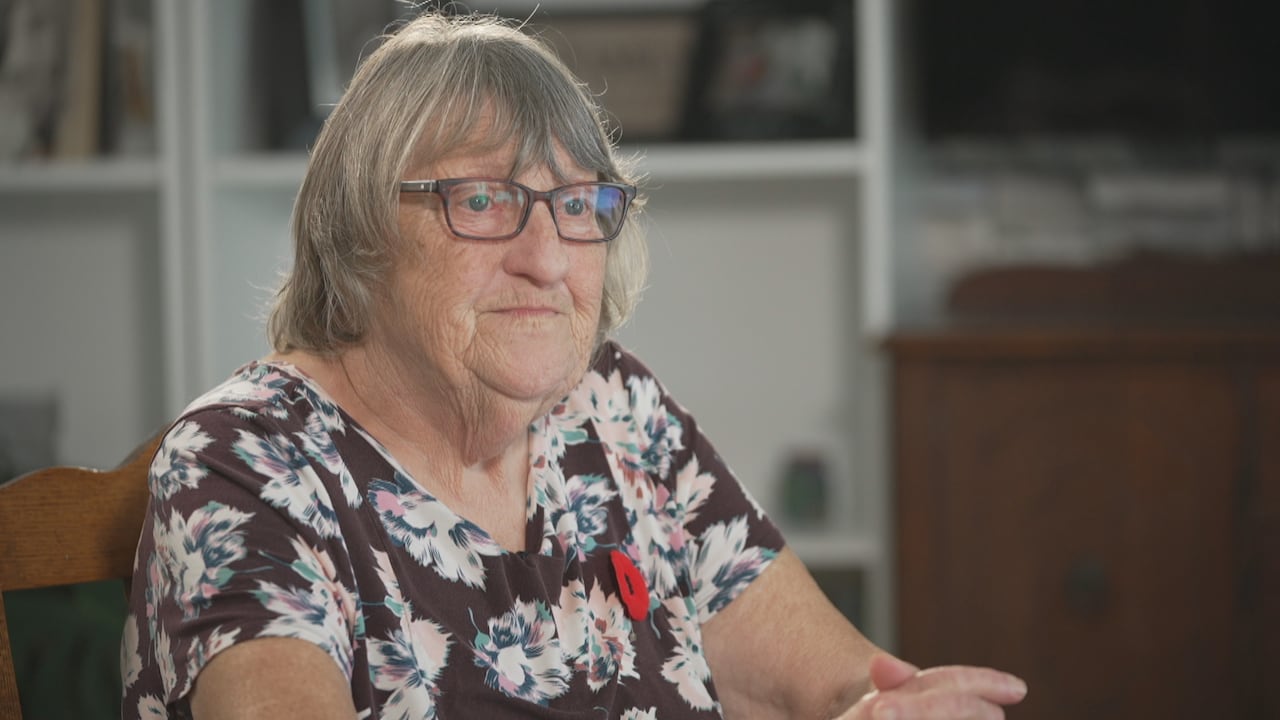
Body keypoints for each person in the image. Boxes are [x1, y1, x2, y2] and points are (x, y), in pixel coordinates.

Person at [122, 10, 1027, 720]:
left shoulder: (611, 408)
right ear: (357, 229)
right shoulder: (245, 462)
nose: (548, 260)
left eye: (577, 205)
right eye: (483, 199)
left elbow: (829, 689)